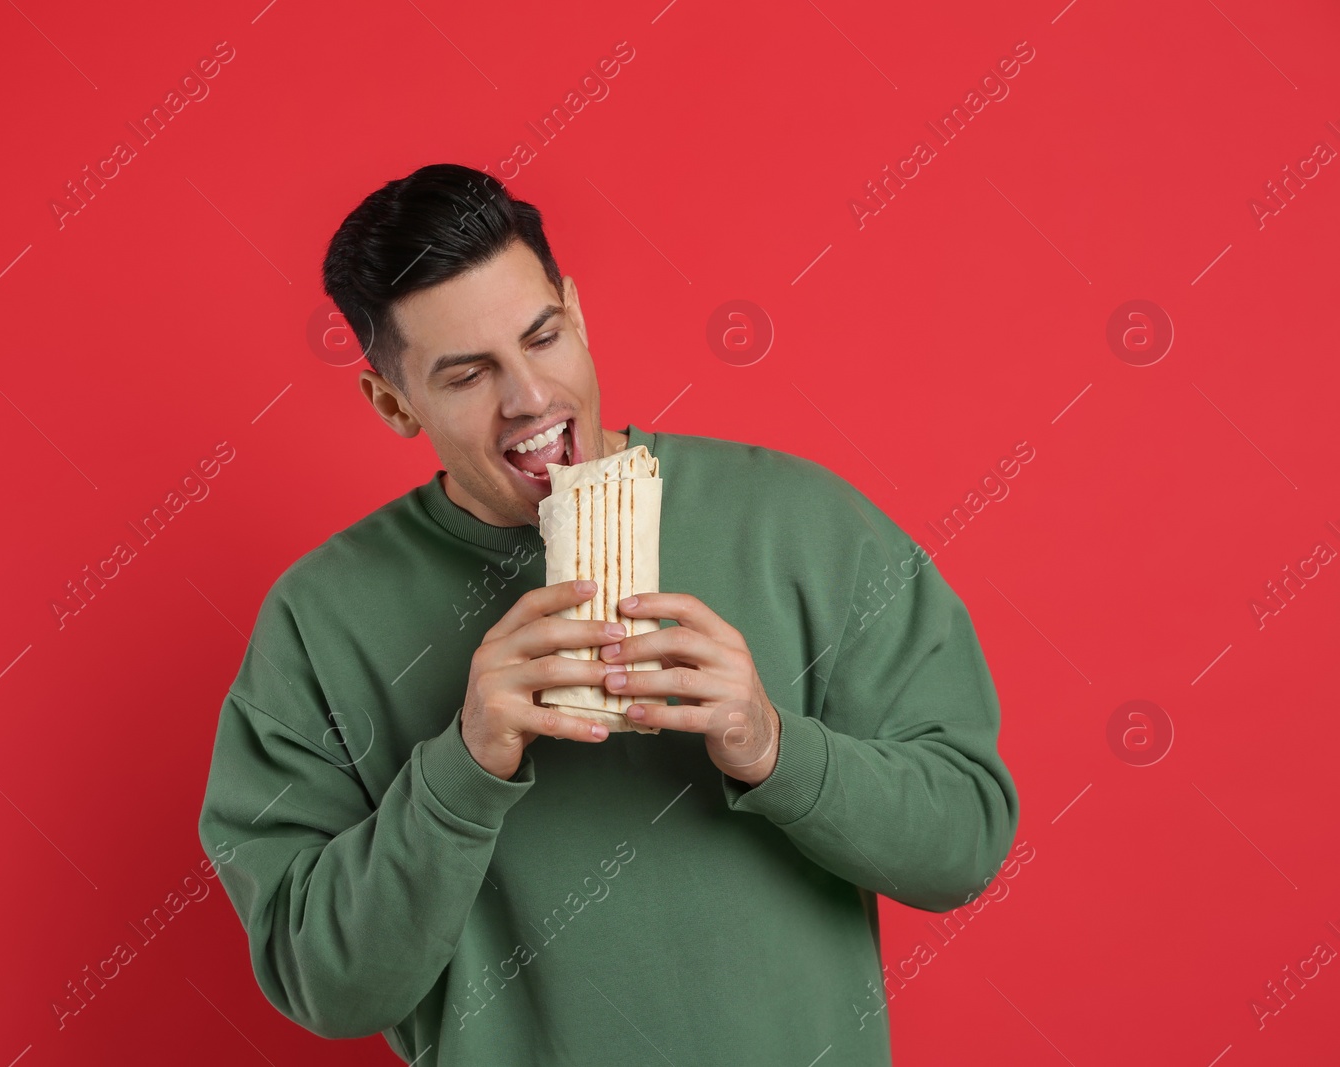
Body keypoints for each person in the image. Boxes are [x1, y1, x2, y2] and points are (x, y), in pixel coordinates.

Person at [197, 163, 1019, 1065]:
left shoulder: (803, 524)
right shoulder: (320, 621)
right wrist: (462, 769)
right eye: (468, 375)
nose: (530, 399)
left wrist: (774, 745)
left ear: (578, 315)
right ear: (394, 403)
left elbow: (966, 844)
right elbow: (327, 985)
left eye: (542, 338)